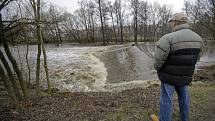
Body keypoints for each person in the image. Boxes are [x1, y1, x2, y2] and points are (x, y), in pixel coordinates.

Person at [151, 12, 204, 121]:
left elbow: (158, 60)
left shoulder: (167, 38)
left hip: (168, 77)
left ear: (175, 23)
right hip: (185, 76)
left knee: (166, 100)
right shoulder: (199, 38)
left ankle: (164, 119)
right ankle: (185, 118)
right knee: (184, 99)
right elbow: (197, 58)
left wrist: (158, 68)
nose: (171, 24)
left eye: (171, 22)